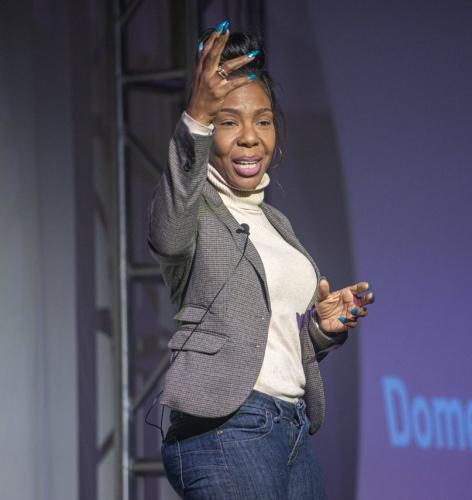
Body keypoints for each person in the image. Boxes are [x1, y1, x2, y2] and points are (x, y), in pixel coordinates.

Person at [149, 20, 374, 499]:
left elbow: (262, 341)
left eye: (263, 120)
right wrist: (195, 117)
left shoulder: (276, 223)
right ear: (210, 129)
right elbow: (167, 237)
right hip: (226, 429)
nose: (251, 137)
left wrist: (318, 330)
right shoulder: (194, 210)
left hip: (290, 429)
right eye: (229, 121)